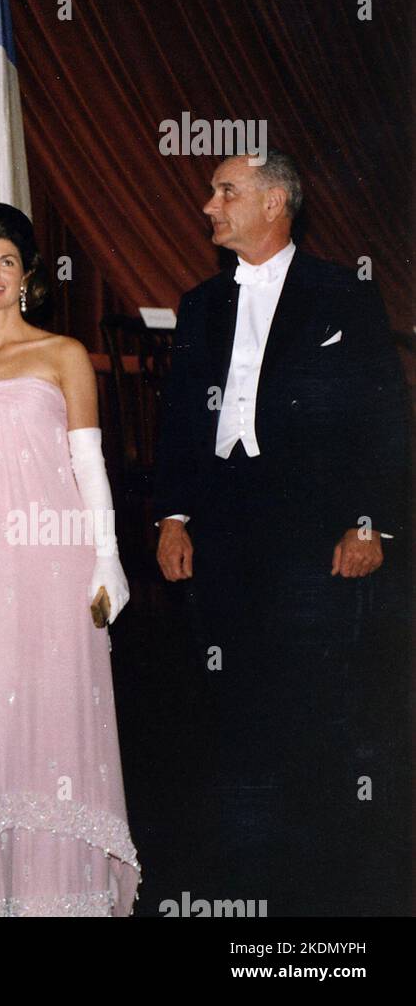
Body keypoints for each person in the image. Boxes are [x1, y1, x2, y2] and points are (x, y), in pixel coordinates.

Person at [154, 150, 407, 916]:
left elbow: (384, 416)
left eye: (225, 191)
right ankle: (245, 884)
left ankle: (323, 892)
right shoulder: (199, 304)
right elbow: (177, 423)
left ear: (274, 205)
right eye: (210, 193)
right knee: (232, 705)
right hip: (224, 530)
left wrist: (372, 525)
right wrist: (173, 515)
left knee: (316, 708)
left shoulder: (342, 296)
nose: (208, 205)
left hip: (313, 530)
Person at [0, 203, 140, 917]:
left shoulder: (63, 354)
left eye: (5, 263)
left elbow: (90, 463)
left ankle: (65, 895)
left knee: (59, 718)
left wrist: (108, 561)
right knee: (0, 721)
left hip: (59, 561)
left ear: (28, 276)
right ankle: (8, 891)